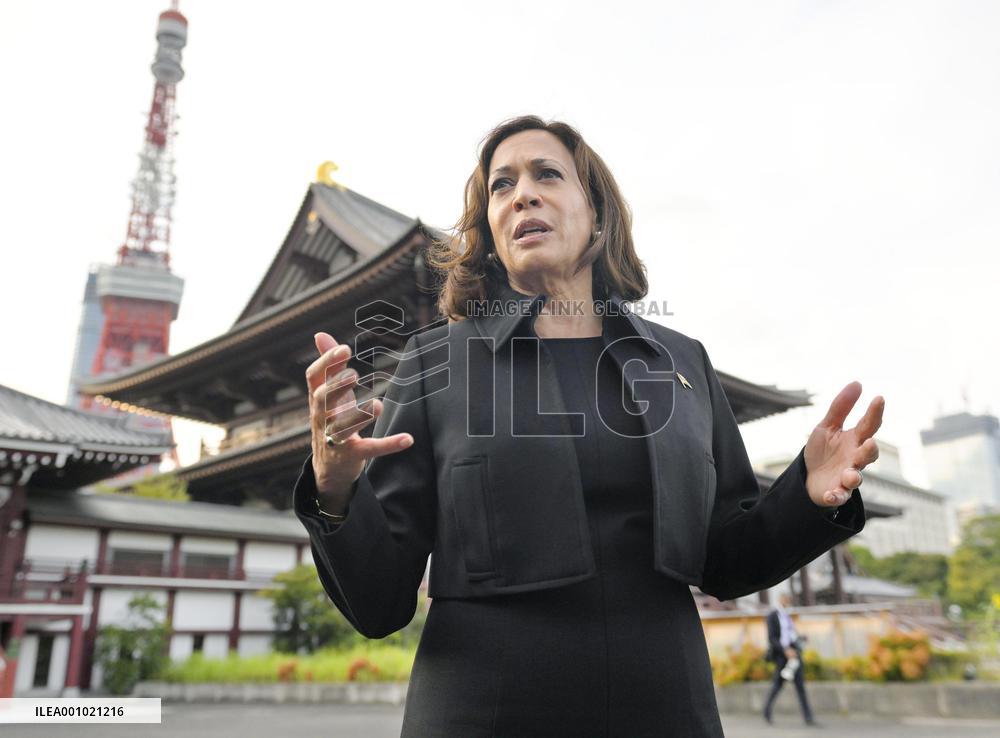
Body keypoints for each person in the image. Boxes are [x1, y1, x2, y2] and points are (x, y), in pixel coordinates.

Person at [293, 114, 884, 737]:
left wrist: (808, 495)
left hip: (664, 703)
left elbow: (728, 560)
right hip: (484, 707)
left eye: (547, 174)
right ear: (491, 230)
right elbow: (380, 603)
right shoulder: (437, 361)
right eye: (501, 185)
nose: (522, 193)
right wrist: (334, 490)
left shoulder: (681, 362)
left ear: (597, 214)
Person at [764, 593, 816, 726]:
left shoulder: (788, 617)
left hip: (794, 655)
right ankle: (766, 711)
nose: (788, 601)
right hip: (782, 656)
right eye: (786, 599)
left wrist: (801, 638)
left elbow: (791, 635)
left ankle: (808, 717)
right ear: (781, 599)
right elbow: (772, 638)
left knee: (800, 686)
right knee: (778, 685)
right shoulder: (773, 616)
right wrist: (785, 650)